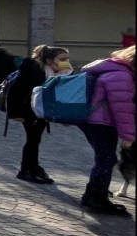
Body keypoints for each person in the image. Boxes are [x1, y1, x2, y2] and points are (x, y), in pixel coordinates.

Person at [76, 45, 135, 215]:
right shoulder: (122, 76)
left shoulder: (113, 68)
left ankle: (92, 196)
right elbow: (122, 109)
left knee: (105, 159)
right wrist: (128, 136)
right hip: (102, 123)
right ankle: (96, 199)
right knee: (106, 160)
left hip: (97, 121)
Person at [8, 44, 70, 185]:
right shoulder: (35, 71)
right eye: (62, 59)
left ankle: (33, 167)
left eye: (67, 58)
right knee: (32, 139)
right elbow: (16, 91)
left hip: (41, 111)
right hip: (28, 111)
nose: (66, 62)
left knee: (35, 139)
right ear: (49, 60)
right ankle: (25, 170)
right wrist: (16, 113)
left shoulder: (60, 72)